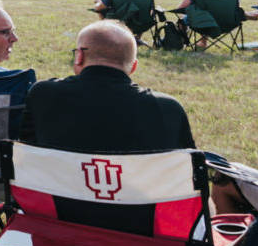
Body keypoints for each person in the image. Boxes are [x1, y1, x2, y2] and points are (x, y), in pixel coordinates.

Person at [26, 22, 194, 151]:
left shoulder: (43, 94)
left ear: (79, 56)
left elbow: (25, 153)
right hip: (137, 196)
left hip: (58, 194)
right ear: (133, 67)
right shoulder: (168, 108)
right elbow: (187, 168)